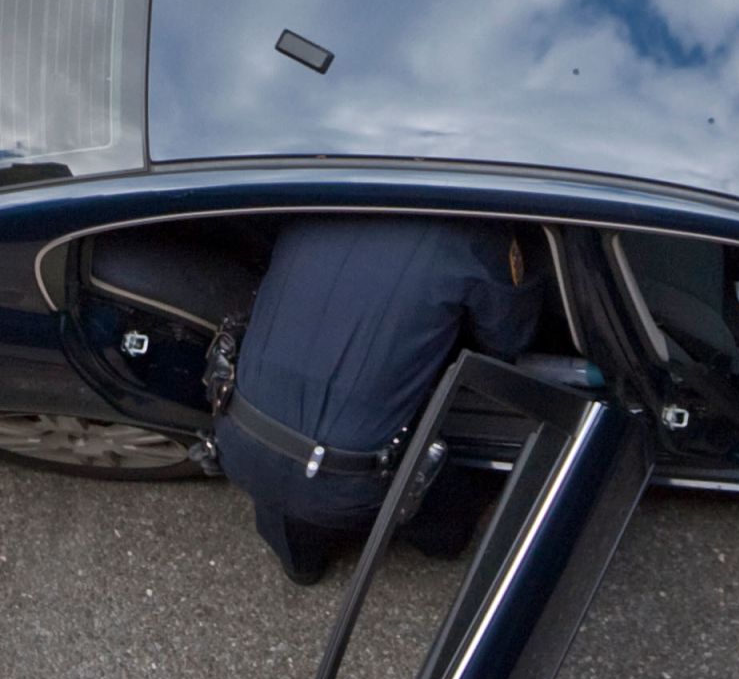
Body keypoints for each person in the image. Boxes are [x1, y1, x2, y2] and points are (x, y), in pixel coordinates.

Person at [212, 218, 547, 585]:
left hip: (239, 438)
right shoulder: (474, 234)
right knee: (448, 535)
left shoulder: (324, 191)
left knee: (296, 517)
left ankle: (302, 563)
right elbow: (507, 342)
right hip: (351, 479)